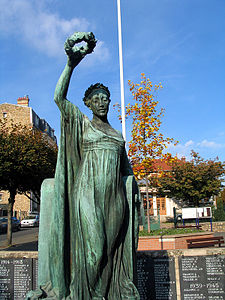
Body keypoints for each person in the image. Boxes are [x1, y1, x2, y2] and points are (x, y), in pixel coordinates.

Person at [26, 32, 140, 300]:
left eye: (105, 98)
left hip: (114, 200)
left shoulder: (117, 135)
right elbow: (59, 98)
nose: (102, 102)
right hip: (87, 195)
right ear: (88, 103)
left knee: (110, 253)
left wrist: (134, 192)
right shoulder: (82, 124)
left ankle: (100, 295)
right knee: (94, 251)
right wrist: (71, 64)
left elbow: (127, 171)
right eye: (96, 99)